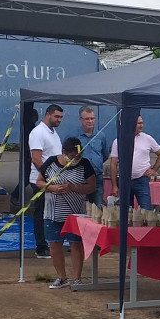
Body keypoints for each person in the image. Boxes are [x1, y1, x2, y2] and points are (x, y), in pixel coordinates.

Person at [36, 137, 97, 289]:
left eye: (78, 156)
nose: (76, 159)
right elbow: (39, 182)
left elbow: (91, 187)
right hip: (53, 213)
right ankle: (61, 277)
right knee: (54, 245)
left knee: (76, 244)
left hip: (76, 214)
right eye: (72, 157)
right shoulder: (51, 163)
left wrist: (74, 187)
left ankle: (77, 278)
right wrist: (52, 188)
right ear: (64, 153)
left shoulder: (85, 165)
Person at [28, 104, 64, 258]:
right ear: (48, 114)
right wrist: (48, 176)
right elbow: (36, 159)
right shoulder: (38, 133)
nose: (59, 120)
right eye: (56, 116)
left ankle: (52, 243)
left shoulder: (54, 133)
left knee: (51, 214)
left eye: (61, 117)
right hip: (40, 181)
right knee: (41, 214)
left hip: (53, 180)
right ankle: (41, 247)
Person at [109, 115, 160, 210]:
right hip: (124, 180)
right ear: (131, 124)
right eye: (139, 123)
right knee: (125, 211)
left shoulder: (148, 138)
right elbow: (113, 163)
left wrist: (154, 169)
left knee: (146, 209)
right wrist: (114, 185)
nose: (142, 125)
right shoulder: (118, 141)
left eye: (142, 122)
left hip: (142, 179)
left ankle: (146, 225)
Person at [77, 107, 109, 206]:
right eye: (87, 119)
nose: (90, 121)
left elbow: (105, 154)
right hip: (80, 177)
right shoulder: (74, 136)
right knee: (80, 207)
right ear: (81, 119)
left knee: (97, 206)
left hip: (97, 177)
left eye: (92, 118)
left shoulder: (101, 135)